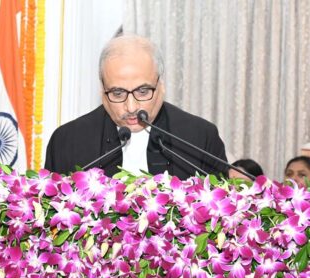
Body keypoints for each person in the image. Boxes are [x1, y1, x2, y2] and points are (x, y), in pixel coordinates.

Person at [44, 34, 228, 179]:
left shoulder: (200, 139)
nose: (131, 107)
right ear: (102, 91)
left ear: (161, 86)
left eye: (142, 92)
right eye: (117, 93)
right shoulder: (66, 142)